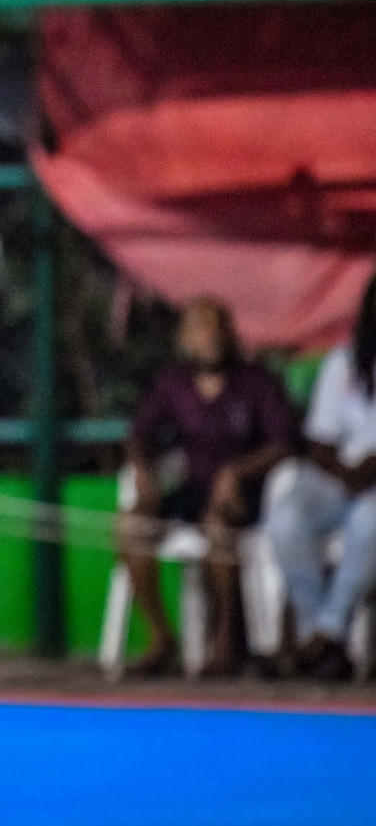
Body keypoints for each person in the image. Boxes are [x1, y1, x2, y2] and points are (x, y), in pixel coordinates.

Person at [118, 297, 298, 676]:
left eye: (217, 327)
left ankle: (226, 643)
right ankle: (162, 638)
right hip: (190, 487)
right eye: (200, 329)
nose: (210, 337)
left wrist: (237, 472)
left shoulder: (256, 382)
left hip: (244, 494)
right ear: (186, 338)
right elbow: (139, 436)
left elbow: (283, 442)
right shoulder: (174, 383)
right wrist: (142, 471)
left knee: (219, 526)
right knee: (131, 525)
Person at [265, 272, 376, 680]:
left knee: (370, 520)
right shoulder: (342, 363)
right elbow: (320, 440)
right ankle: (320, 634)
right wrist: (347, 472)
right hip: (340, 477)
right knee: (286, 517)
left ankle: (327, 632)